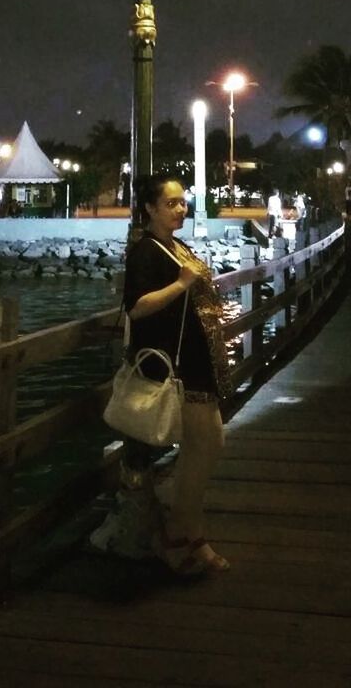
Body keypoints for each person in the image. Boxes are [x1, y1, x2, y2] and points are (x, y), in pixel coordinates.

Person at [123, 174, 232, 575]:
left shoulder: (176, 246)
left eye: (182, 202)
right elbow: (136, 307)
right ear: (150, 208)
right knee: (204, 448)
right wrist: (183, 283)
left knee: (205, 449)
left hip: (197, 362)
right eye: (170, 203)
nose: (180, 208)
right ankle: (179, 536)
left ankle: (187, 533)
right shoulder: (145, 252)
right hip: (176, 366)